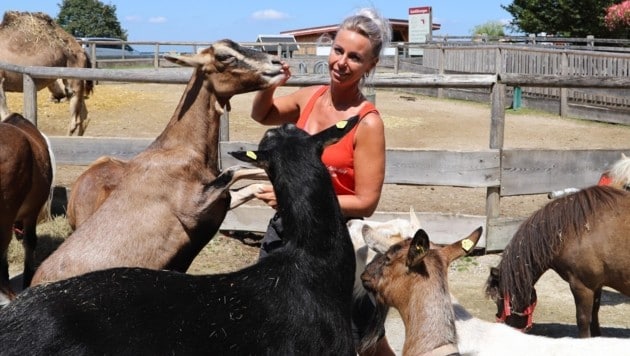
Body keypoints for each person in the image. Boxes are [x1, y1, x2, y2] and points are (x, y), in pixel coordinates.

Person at [250, 7, 394, 356]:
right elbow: (262, 114)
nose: (342, 62)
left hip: (334, 240)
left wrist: (291, 199)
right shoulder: (309, 97)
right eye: (338, 50)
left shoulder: (367, 123)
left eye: (355, 57)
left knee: (358, 337)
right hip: (287, 229)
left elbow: (365, 202)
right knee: (264, 318)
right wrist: (269, 86)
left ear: (370, 66)